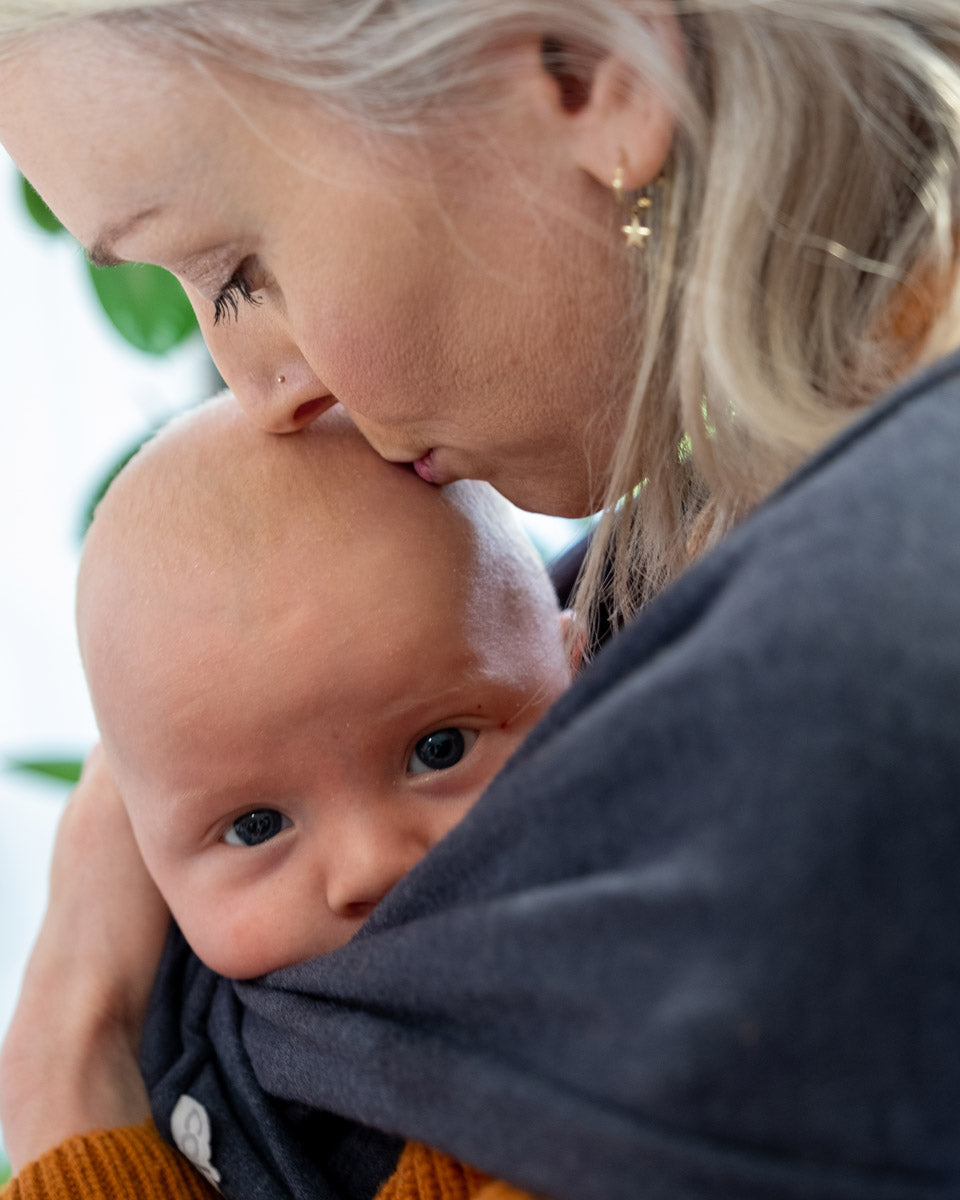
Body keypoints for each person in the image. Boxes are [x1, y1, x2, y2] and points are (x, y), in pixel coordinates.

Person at [0, 3, 959, 1199]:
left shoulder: (870, 643)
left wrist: (65, 1067)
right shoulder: (722, 532)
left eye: (239, 273)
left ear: (585, 68)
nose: (259, 393)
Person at [76, 394, 577, 983]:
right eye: (255, 827)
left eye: (440, 749)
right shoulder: (174, 1043)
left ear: (580, 671)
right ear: (141, 859)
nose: (370, 869)